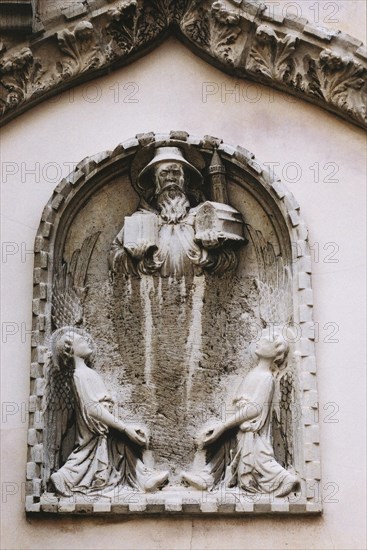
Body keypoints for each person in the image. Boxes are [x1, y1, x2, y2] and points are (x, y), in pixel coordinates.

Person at [49, 327, 169, 496]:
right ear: (72, 350)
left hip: (104, 425)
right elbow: (92, 408)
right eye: (81, 341)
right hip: (95, 427)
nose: (87, 342)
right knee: (90, 453)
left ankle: (143, 477)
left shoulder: (88, 373)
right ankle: (65, 477)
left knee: (119, 447)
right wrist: (124, 428)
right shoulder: (80, 375)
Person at [181, 329, 299, 497]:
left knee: (261, 460)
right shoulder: (254, 373)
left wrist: (224, 425)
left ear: (275, 353)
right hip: (241, 426)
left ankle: (284, 479)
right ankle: (209, 476)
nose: (259, 341)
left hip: (252, 429)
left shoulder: (266, 378)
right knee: (227, 445)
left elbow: (255, 408)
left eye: (267, 340)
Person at [109, 147, 242, 278]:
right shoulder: (140, 220)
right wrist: (132, 256)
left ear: (187, 180)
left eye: (176, 172)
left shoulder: (205, 216)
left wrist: (213, 252)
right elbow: (114, 257)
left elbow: (230, 261)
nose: (170, 178)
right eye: (164, 173)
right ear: (155, 181)